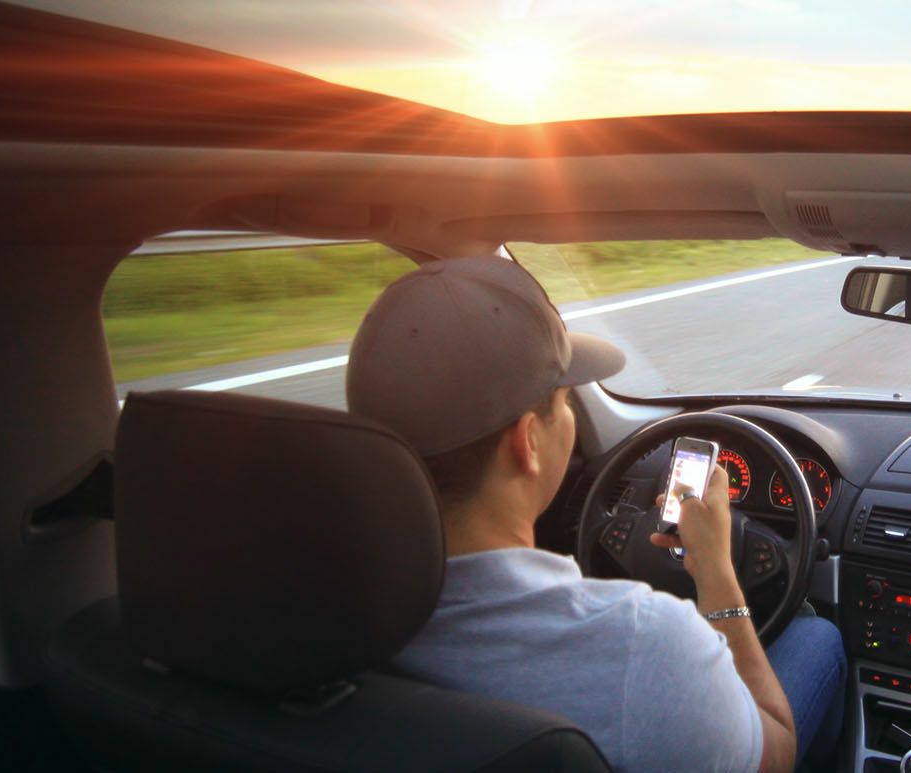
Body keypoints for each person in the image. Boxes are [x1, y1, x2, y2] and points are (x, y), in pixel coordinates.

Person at [345, 257, 846, 773]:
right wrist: (717, 572)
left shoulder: (319, 609)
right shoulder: (643, 642)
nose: (570, 418)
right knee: (817, 638)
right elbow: (775, 753)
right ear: (527, 443)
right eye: (567, 403)